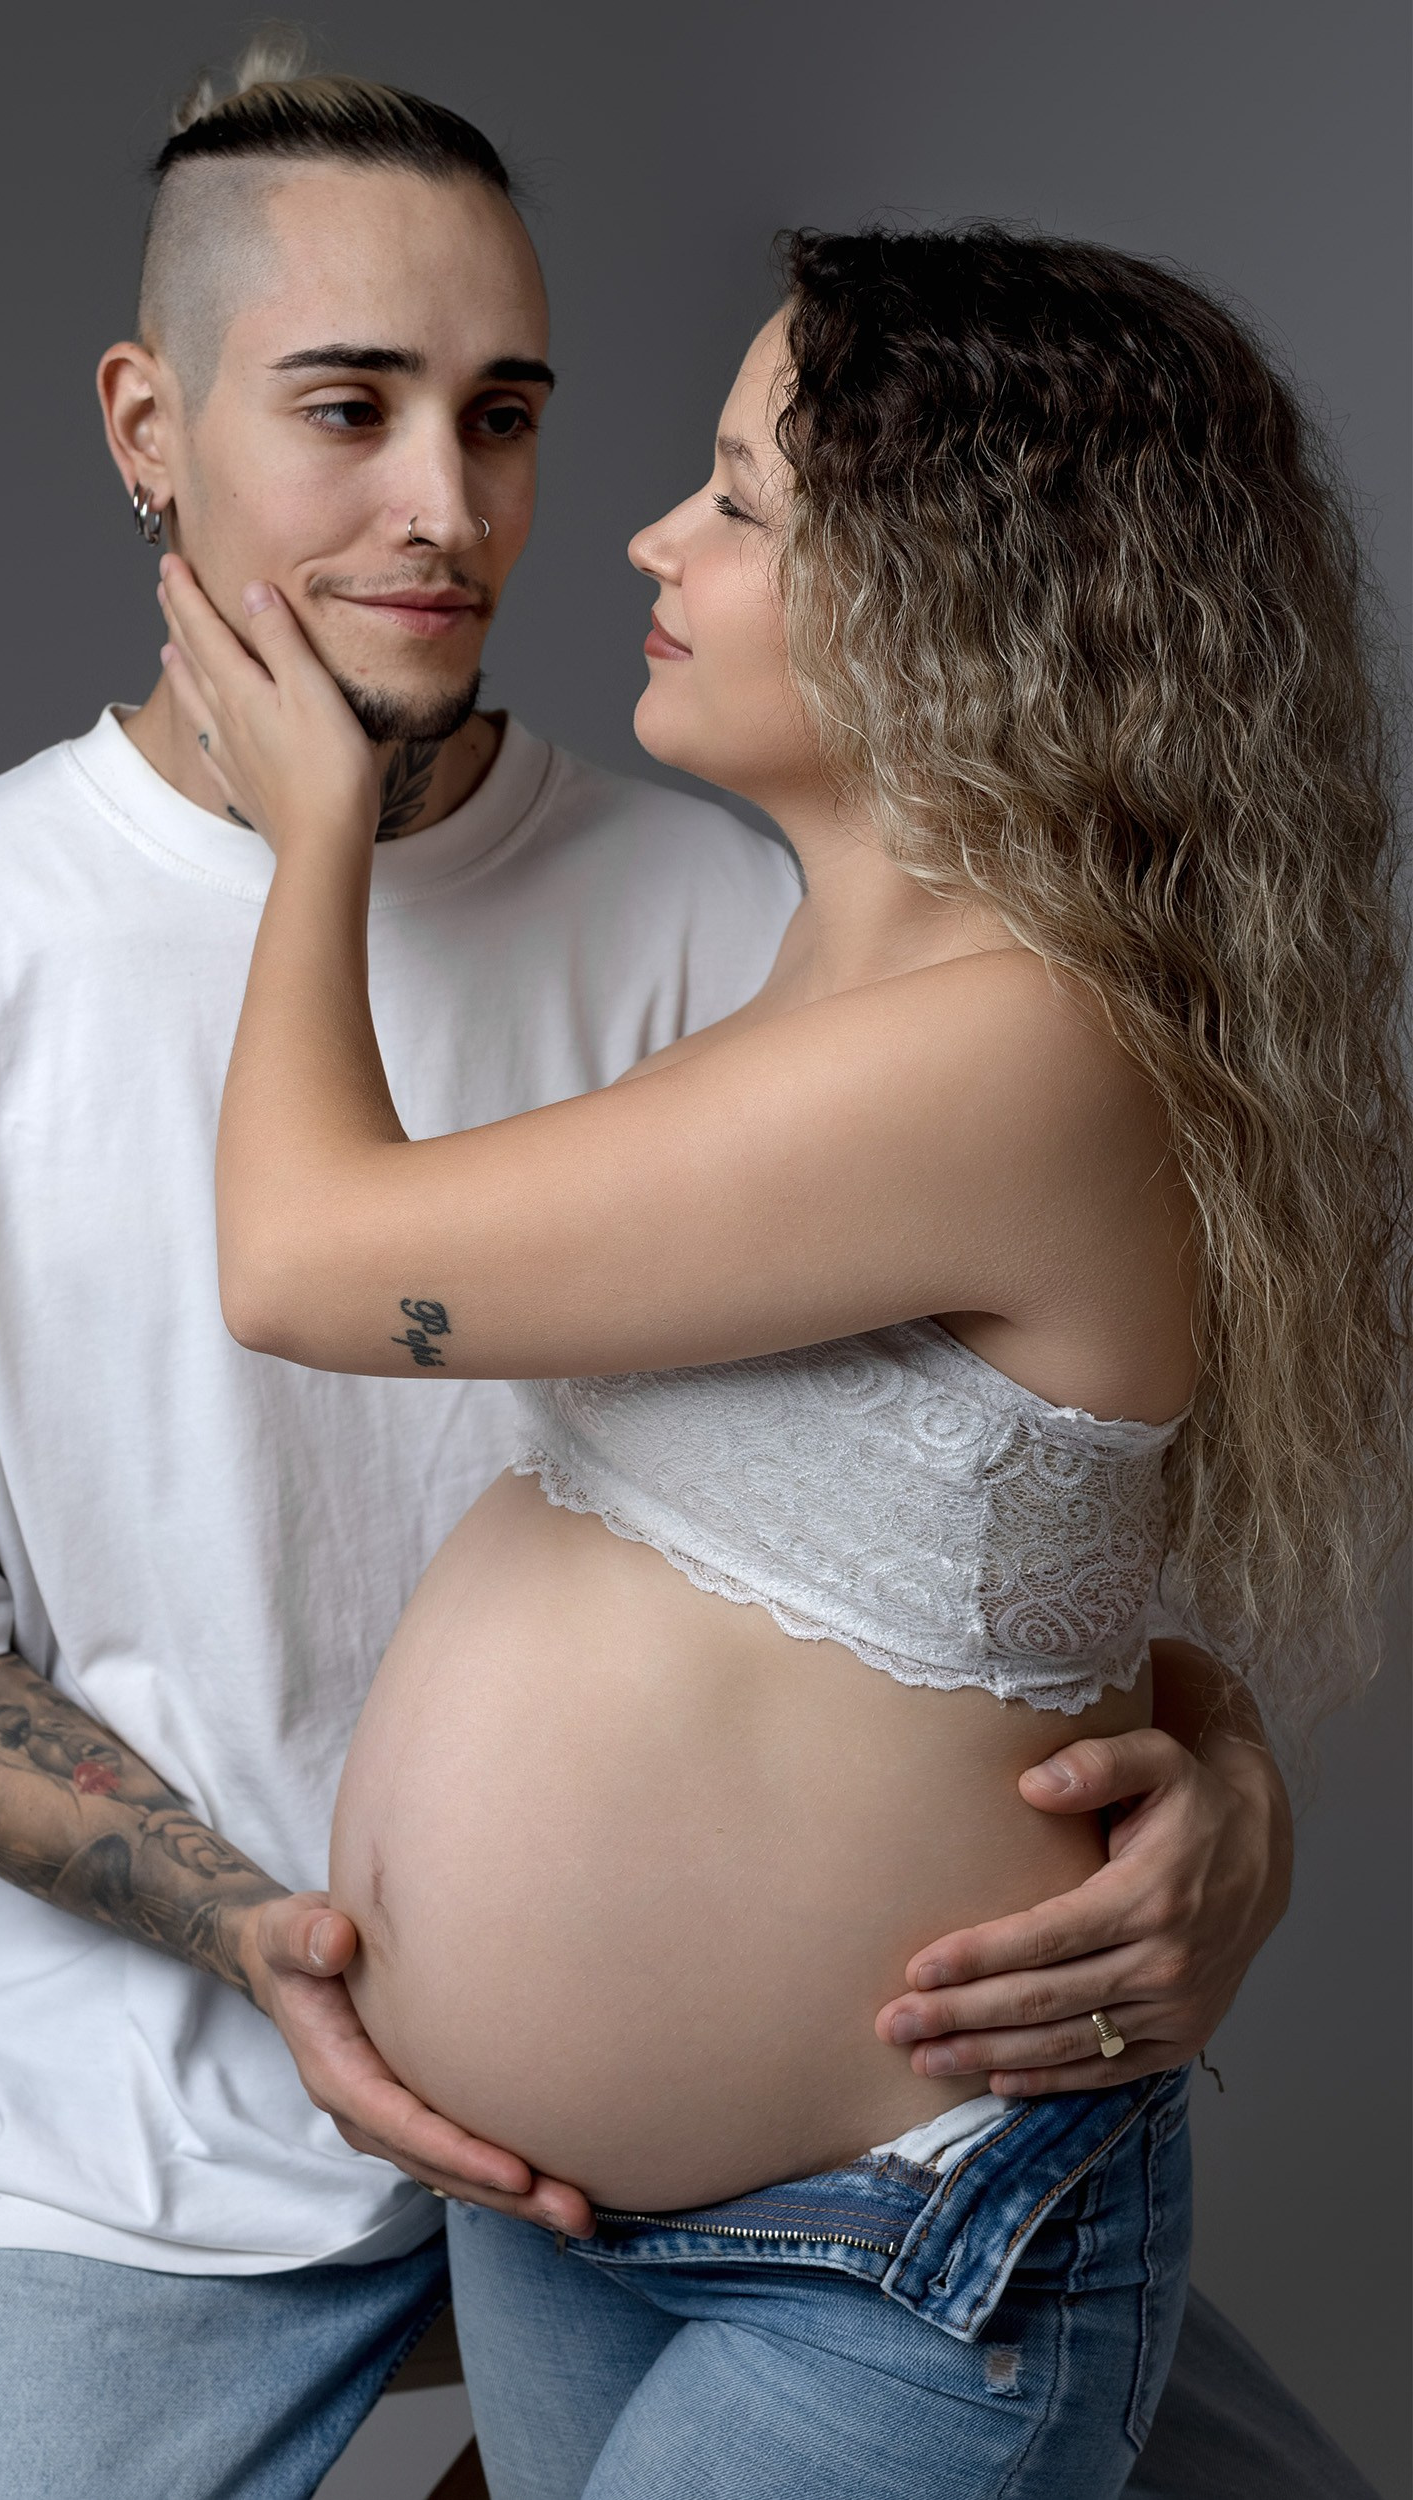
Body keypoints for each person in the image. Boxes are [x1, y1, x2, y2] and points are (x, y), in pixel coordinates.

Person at [0, 40, 1342, 2499]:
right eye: (346, 408)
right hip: (173, 2123)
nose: (454, 508)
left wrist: (1222, 1779)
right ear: (146, 426)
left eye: (506, 416)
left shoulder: (765, 917)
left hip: (802, 2168)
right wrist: (244, 1928)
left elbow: (998, 1509)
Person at [161, 220, 1410, 2495]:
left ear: (960, 597)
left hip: (883, 2244)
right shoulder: (817, 1002)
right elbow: (958, 1552)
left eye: (740, 499)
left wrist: (312, 829)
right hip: (575, 2217)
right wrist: (1205, 1730)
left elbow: (307, 1260)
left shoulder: (1016, 1047)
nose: (652, 535)